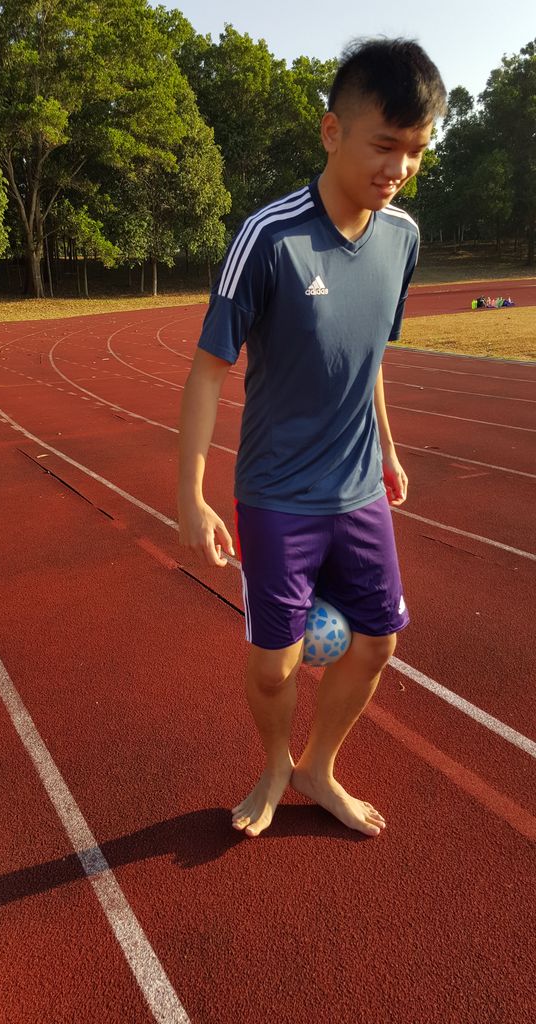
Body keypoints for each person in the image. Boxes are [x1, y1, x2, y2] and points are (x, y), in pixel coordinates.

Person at [178, 38, 447, 839]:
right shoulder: (270, 236)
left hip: (359, 488)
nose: (399, 167)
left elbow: (370, 359)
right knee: (274, 665)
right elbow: (207, 371)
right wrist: (191, 494)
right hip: (277, 494)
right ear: (333, 132)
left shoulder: (403, 238)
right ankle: (273, 766)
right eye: (385, 145)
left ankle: (317, 767)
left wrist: (388, 447)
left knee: (378, 644)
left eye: (417, 150)